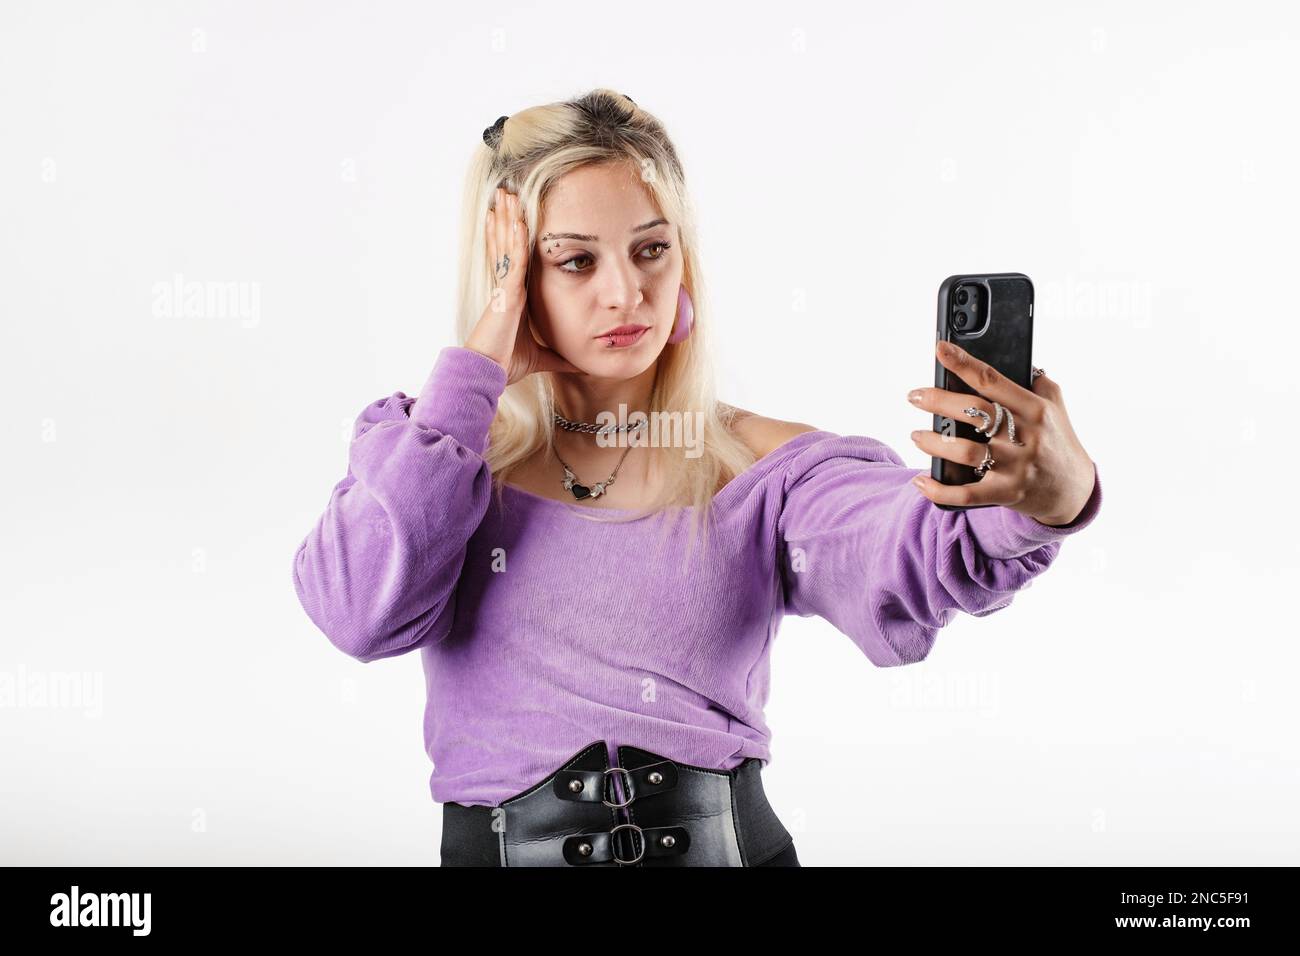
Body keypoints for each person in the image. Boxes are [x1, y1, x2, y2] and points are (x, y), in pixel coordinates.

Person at [291, 89, 1103, 867]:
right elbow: (360, 613)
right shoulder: (433, 457)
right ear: (511, 279)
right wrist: (478, 367)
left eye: (652, 249)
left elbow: (911, 551)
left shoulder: (761, 466)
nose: (626, 293)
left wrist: (1037, 503)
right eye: (573, 261)